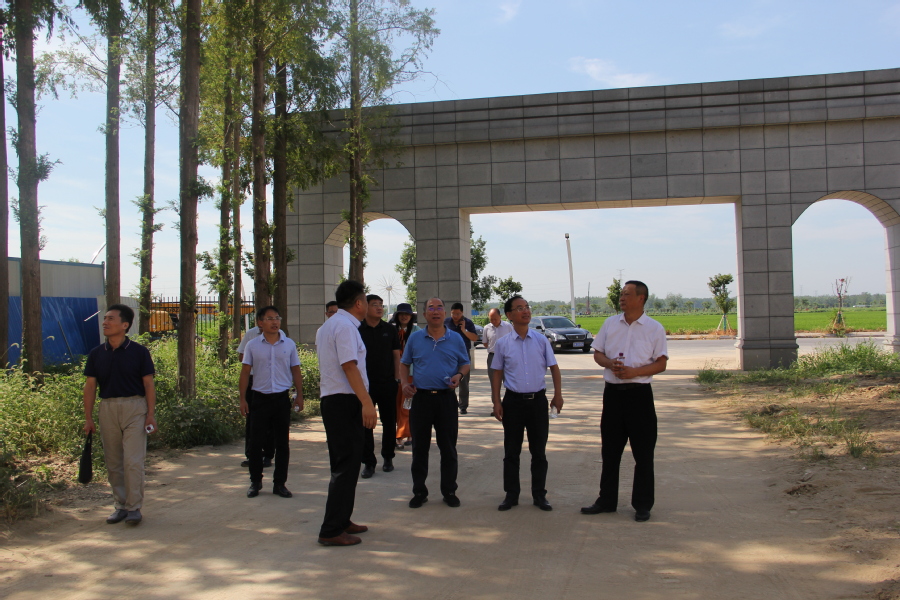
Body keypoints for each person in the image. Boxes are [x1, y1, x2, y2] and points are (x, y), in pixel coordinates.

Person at [581, 280, 668, 522]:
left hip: (639, 396)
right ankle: (606, 500)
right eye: (621, 294)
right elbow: (598, 353)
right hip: (613, 395)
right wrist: (610, 364)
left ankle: (642, 504)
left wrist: (634, 372)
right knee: (610, 451)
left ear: (641, 298)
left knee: (643, 453)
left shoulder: (654, 328)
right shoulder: (610, 324)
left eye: (627, 294)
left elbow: (661, 363)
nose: (621, 297)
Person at [315, 280, 378, 546]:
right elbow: (349, 366)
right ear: (359, 303)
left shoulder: (330, 325)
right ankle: (331, 530)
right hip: (344, 401)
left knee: (346, 465)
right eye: (367, 301)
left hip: (336, 401)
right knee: (345, 466)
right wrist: (366, 402)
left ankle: (342, 520)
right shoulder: (344, 327)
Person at [83, 304, 157, 525]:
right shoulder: (96, 354)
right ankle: (120, 505)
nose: (105, 322)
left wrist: (150, 414)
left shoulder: (139, 352)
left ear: (125, 325)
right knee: (113, 461)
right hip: (107, 407)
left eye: (111, 319)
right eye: (105, 319)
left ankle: (134, 507)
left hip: (135, 408)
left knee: (133, 461)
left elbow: (148, 384)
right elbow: (90, 387)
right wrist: (88, 418)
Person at [491, 295, 563, 512]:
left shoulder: (541, 340)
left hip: (537, 402)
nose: (526, 311)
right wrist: (496, 401)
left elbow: (554, 368)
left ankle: (539, 495)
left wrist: (558, 395)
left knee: (538, 452)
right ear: (510, 315)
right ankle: (511, 495)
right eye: (519, 308)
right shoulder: (503, 344)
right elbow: (497, 373)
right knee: (511, 452)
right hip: (512, 402)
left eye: (527, 307)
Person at [400, 297, 470, 509]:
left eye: (440, 307)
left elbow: (465, 363)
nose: (436, 311)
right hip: (421, 399)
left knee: (448, 448)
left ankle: (449, 491)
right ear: (424, 314)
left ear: (445, 313)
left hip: (446, 399)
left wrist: (459, 375)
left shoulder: (455, 338)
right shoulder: (415, 338)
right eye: (431, 308)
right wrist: (404, 383)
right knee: (419, 448)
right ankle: (419, 492)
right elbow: (404, 364)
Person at [239, 306, 304, 499]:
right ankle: (255, 481)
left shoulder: (289, 344)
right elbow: (245, 372)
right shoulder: (252, 345)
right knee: (256, 442)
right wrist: (242, 399)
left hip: (281, 398)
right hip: (259, 398)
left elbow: (295, 370)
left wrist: (299, 394)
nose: (275, 322)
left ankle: (280, 483)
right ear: (260, 323)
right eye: (269, 318)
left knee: (282, 443)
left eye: (277, 318)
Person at [358, 294, 401, 477]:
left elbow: (396, 355)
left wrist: (397, 379)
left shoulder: (390, 329)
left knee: (389, 421)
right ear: (365, 307)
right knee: (366, 424)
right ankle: (368, 462)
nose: (379, 308)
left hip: (387, 383)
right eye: (374, 304)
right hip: (364, 385)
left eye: (381, 305)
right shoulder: (357, 329)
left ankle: (388, 457)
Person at [237, 324, 273, 469]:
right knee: (252, 419)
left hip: (271, 381)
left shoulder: (280, 336)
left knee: (270, 420)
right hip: (253, 380)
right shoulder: (251, 335)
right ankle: (252, 455)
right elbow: (241, 356)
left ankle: (268, 455)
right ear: (259, 321)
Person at [389, 303, 419, 449]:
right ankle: (401, 433)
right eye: (401, 314)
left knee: (407, 406)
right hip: (394, 375)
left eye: (407, 314)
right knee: (396, 406)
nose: (404, 316)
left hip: (411, 375)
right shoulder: (391, 331)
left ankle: (405, 435)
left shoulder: (417, 332)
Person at [444, 302, 478, 414]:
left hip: (464, 355)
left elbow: (475, 338)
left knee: (464, 382)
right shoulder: (446, 322)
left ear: (462, 313)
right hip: (449, 355)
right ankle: (450, 404)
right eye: (453, 313)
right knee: (449, 380)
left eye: (458, 314)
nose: (455, 316)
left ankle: (463, 406)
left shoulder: (468, 323)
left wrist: (464, 330)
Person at [483, 307, 514, 415]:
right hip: (492, 357)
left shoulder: (508, 326)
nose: (493, 321)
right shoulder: (486, 328)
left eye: (495, 319)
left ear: (500, 316)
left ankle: (509, 407)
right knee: (494, 383)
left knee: (509, 382)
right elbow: (485, 343)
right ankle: (496, 406)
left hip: (507, 357)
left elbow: (514, 340)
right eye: (491, 319)